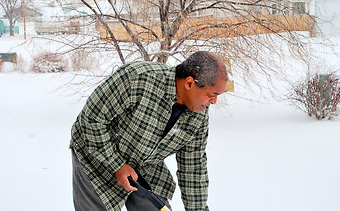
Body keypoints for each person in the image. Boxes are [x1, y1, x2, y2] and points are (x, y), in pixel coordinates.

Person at [70, 51, 228, 211]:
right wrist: (117, 165)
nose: (214, 102)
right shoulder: (138, 77)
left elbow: (193, 168)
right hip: (97, 156)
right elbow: (91, 119)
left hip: (145, 166)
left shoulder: (198, 114)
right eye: (211, 94)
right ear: (189, 83)